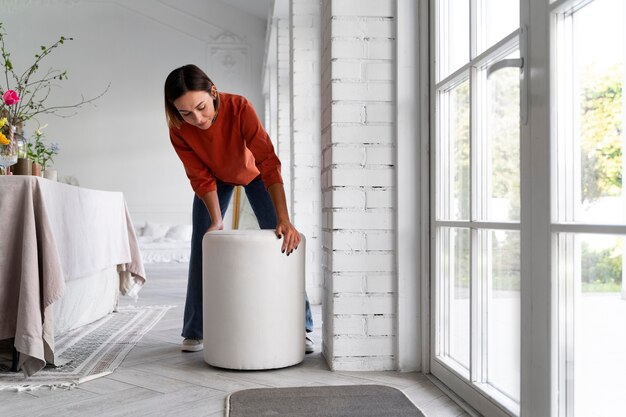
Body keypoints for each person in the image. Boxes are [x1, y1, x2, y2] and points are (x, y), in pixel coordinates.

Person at [163, 64, 314, 354]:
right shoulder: (179, 128)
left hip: (254, 173)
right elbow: (199, 175)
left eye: (201, 107)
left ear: (213, 91)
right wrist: (216, 221)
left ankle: (301, 326)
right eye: (186, 113)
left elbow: (268, 160)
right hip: (214, 179)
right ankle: (195, 330)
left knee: (282, 240)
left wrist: (284, 218)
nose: (197, 118)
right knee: (203, 243)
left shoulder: (239, 107)